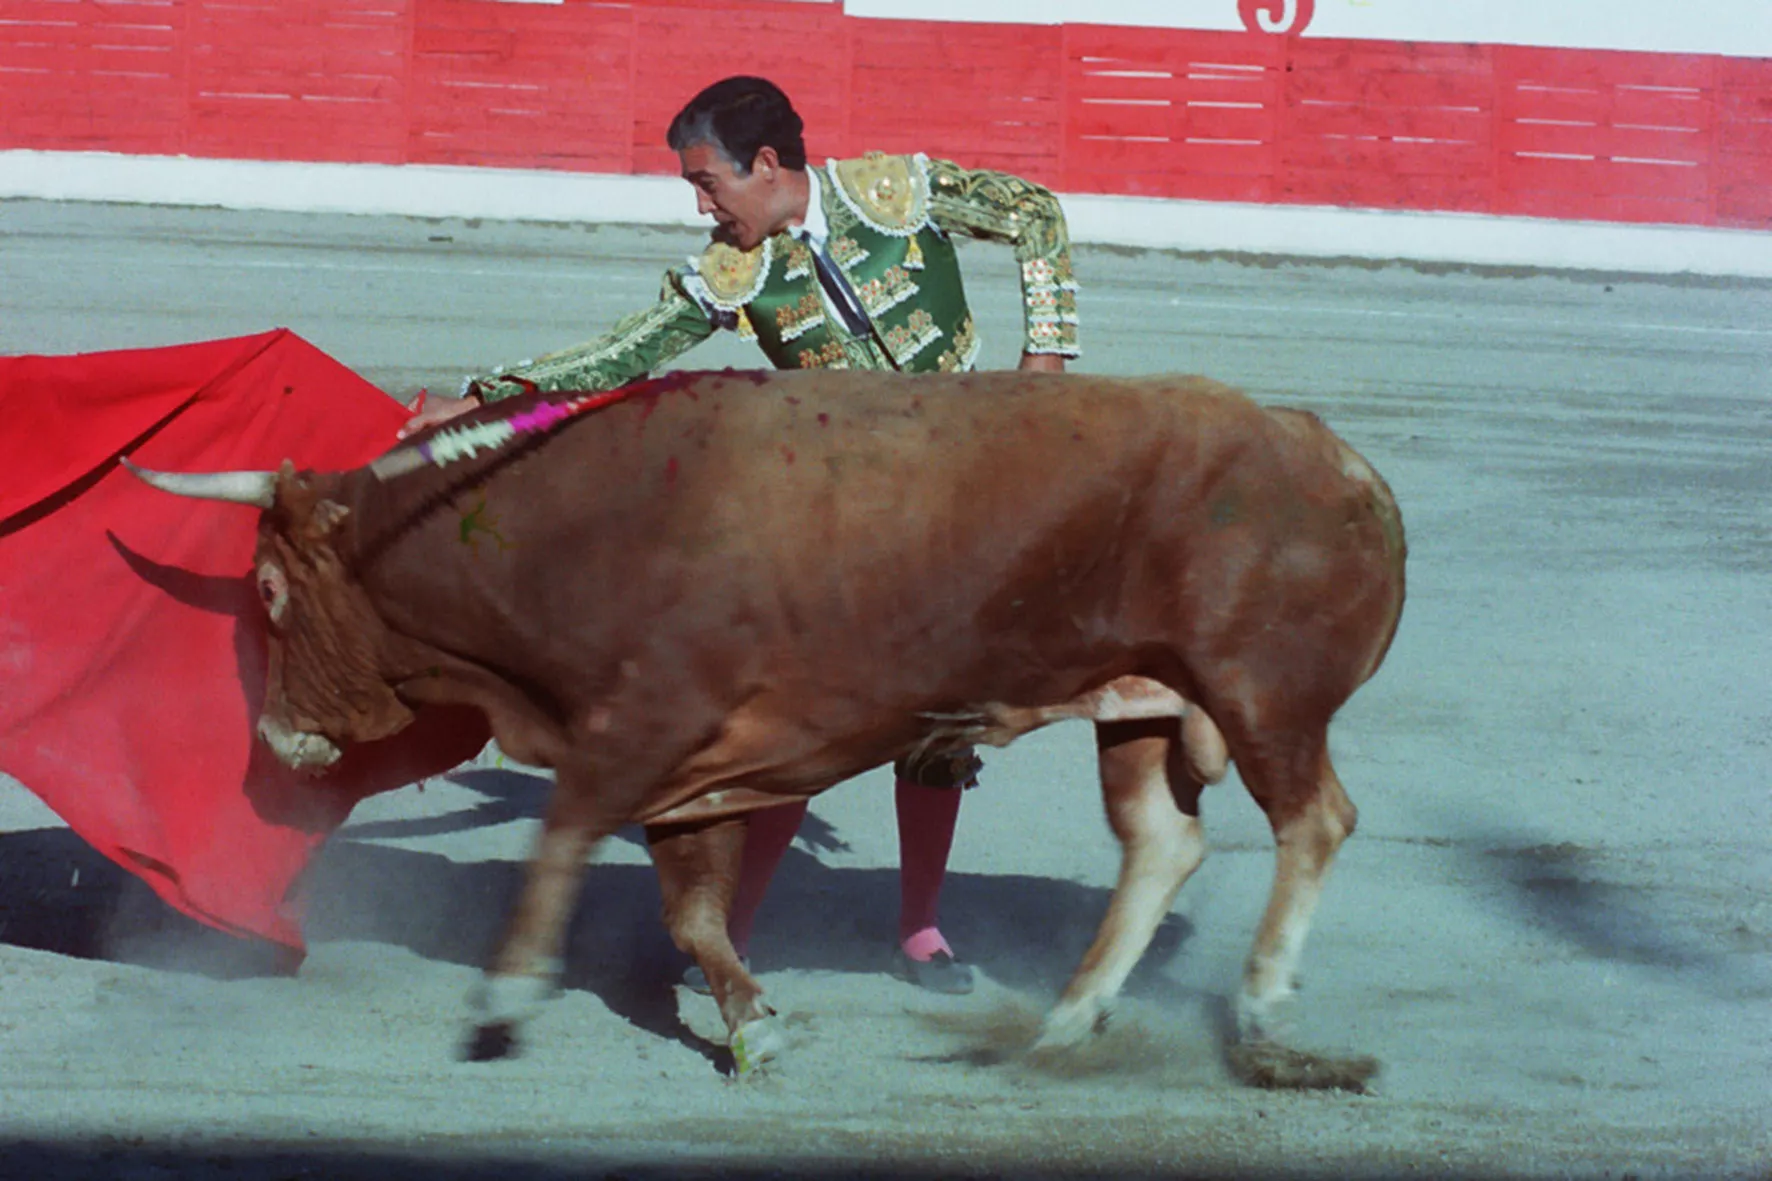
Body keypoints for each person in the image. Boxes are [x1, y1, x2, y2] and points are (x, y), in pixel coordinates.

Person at [406, 75, 1080, 994]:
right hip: (840, 516)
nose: (701, 204)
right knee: (792, 726)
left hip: (965, 502)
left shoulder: (895, 193)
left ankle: (920, 926)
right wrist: (482, 397)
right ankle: (740, 929)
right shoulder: (735, 268)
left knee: (940, 726)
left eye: (707, 181)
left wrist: (1042, 364)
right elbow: (622, 352)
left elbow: (1036, 213)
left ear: (767, 166)